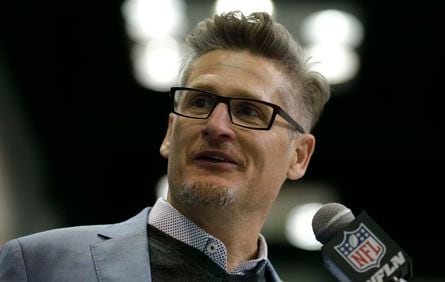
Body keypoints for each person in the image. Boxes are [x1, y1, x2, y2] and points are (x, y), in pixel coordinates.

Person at [0, 11, 330, 281]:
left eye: (248, 111)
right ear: (170, 133)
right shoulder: (38, 265)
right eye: (200, 102)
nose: (216, 126)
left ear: (299, 156)